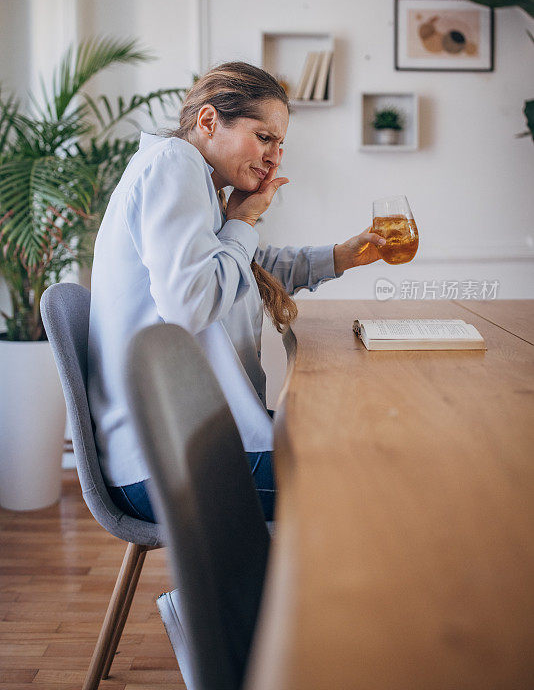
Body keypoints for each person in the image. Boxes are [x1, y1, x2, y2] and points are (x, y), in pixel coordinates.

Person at [87, 61, 385, 684]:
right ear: (207, 121)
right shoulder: (173, 167)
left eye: (281, 144)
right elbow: (192, 300)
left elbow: (249, 264)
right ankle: (258, 641)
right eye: (264, 137)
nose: (274, 156)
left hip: (187, 445)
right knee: (361, 480)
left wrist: (347, 253)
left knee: (347, 455)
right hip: (171, 463)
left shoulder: (191, 178)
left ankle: (243, 630)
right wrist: (246, 218)